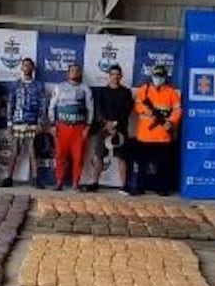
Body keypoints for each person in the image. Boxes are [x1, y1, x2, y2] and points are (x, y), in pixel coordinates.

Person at [132, 63, 182, 196]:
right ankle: (140, 186)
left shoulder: (171, 92)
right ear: (152, 76)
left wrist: (170, 122)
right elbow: (137, 105)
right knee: (142, 164)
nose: (158, 78)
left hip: (163, 135)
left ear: (165, 77)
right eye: (156, 75)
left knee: (163, 165)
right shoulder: (145, 89)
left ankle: (161, 188)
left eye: (161, 76)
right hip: (144, 135)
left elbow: (177, 110)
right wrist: (146, 110)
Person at [84, 64, 134, 194]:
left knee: (122, 158)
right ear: (109, 76)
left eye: (118, 74)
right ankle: (95, 183)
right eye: (112, 74)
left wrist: (115, 125)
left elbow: (126, 111)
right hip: (103, 129)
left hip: (120, 129)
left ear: (121, 76)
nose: (115, 77)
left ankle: (124, 185)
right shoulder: (102, 92)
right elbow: (99, 110)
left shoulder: (126, 92)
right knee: (99, 156)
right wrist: (107, 124)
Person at [0, 57, 47, 188]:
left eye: (29, 65)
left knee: (33, 152)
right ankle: (8, 178)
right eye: (24, 65)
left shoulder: (38, 85)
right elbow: (11, 104)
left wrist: (40, 122)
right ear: (21, 68)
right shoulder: (15, 85)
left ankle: (35, 179)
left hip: (33, 122)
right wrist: (9, 122)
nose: (26, 68)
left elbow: (43, 105)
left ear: (33, 68)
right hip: (18, 122)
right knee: (14, 151)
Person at [48, 62, 94, 190]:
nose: (74, 72)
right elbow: (52, 106)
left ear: (80, 74)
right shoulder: (59, 87)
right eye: (72, 70)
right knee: (60, 156)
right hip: (61, 127)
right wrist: (52, 124)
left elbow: (90, 109)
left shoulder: (85, 88)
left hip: (79, 128)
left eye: (77, 70)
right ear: (67, 73)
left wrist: (88, 126)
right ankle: (59, 182)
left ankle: (75, 183)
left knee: (78, 157)